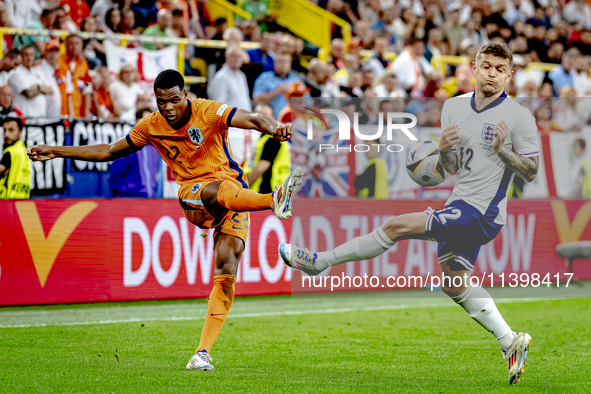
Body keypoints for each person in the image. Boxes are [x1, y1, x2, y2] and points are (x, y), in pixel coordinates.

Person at [279, 43, 538, 385]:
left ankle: (320, 261)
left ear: (509, 74)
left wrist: (503, 150)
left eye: (499, 69)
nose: (491, 74)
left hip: (483, 213)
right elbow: (449, 169)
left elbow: (530, 170)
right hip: (458, 204)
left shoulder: (519, 116)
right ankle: (510, 342)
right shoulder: (453, 108)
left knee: (396, 225)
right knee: (453, 281)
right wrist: (444, 151)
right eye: (486, 66)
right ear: (474, 67)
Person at [28, 69, 303, 371]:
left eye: (174, 100)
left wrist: (275, 126)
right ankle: (272, 200)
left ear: (186, 95)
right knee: (220, 190)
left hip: (235, 196)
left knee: (226, 270)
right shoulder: (151, 126)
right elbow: (108, 151)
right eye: (162, 102)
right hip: (194, 195)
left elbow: (252, 119)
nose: (168, 108)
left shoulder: (208, 111)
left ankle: (201, 354)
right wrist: (56, 150)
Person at [244, 103, 290, 194]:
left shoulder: (272, 140)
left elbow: (260, 168)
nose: (262, 120)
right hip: (274, 192)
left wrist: (244, 187)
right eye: (258, 116)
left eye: (265, 116)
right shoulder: (264, 138)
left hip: (267, 192)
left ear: (273, 118)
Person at [253, 53, 304, 119]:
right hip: (271, 119)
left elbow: (308, 101)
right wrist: (275, 92)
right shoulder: (264, 78)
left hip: (293, 118)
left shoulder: (297, 80)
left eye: (286, 62)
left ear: (290, 65)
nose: (283, 64)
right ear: (274, 63)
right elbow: (256, 99)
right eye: (280, 61)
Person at [9, 46, 54, 120]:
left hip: (39, 120)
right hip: (25, 120)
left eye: (31, 55)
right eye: (26, 55)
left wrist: (37, 87)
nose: (29, 58)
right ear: (21, 57)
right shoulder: (16, 72)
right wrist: (42, 89)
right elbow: (28, 94)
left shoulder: (35, 71)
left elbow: (51, 90)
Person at [207, 45, 252, 111]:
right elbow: (219, 104)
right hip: (231, 120)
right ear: (226, 58)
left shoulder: (241, 76)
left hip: (244, 118)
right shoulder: (221, 77)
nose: (236, 59)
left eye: (239, 56)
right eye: (233, 56)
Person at [57, 34, 92, 118]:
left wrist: (87, 111)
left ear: (81, 46)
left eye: (77, 44)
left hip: (77, 111)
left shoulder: (84, 64)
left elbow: (87, 86)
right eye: (71, 43)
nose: (74, 46)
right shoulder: (58, 61)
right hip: (60, 111)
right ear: (66, 45)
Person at [0, 116, 30, 199]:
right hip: (23, 199)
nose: (6, 134)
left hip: (8, 201)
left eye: (11, 130)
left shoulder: (11, 151)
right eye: (4, 130)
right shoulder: (24, 150)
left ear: (20, 132)